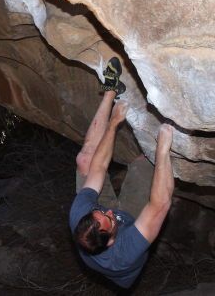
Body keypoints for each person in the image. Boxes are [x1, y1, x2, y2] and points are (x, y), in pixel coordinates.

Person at [69, 57, 175, 289]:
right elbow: (159, 205)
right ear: (109, 242)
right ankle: (158, 157)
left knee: (85, 160)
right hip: (132, 222)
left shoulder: (81, 218)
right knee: (147, 165)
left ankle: (110, 90)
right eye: (107, 218)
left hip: (110, 231)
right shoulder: (125, 251)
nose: (107, 212)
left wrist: (114, 123)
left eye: (100, 213)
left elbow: (97, 167)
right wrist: (163, 149)